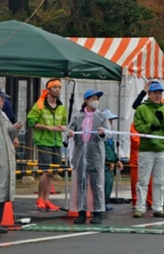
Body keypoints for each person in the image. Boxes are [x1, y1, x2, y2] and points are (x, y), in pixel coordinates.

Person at [132, 82, 164, 218]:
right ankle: (140, 207)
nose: (158, 95)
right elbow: (138, 126)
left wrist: (162, 121)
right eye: (155, 93)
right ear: (149, 94)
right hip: (146, 149)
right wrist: (150, 127)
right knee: (143, 180)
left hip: (162, 148)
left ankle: (158, 206)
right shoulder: (141, 109)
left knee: (159, 180)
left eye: (160, 93)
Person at [67, 89, 110, 224]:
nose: (95, 101)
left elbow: (108, 134)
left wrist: (103, 133)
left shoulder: (102, 117)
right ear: (86, 100)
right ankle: (81, 212)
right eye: (93, 98)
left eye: (97, 98)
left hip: (96, 154)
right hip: (80, 155)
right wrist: (69, 134)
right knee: (81, 185)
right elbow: (69, 130)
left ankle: (98, 212)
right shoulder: (77, 117)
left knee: (97, 184)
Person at [27, 78, 67, 212]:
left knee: (53, 173)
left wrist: (63, 127)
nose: (57, 90)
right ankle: (40, 199)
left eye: (59, 87)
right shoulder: (39, 105)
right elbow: (31, 122)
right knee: (46, 171)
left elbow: (65, 122)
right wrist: (47, 128)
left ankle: (46, 199)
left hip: (57, 142)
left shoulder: (61, 107)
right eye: (55, 87)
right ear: (48, 90)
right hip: (44, 141)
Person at [0, 89, 22, 234]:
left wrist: (15, 129)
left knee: (2, 192)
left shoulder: (3, 114)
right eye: (1, 99)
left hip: (5, 157)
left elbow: (9, 132)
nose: (3, 102)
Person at [102, 110, 123, 212]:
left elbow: (111, 148)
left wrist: (117, 160)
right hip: (104, 164)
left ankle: (104, 203)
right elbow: (105, 148)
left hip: (109, 162)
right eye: (109, 120)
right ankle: (101, 204)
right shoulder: (103, 134)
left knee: (108, 184)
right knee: (104, 184)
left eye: (111, 120)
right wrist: (110, 161)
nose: (111, 123)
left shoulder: (109, 134)